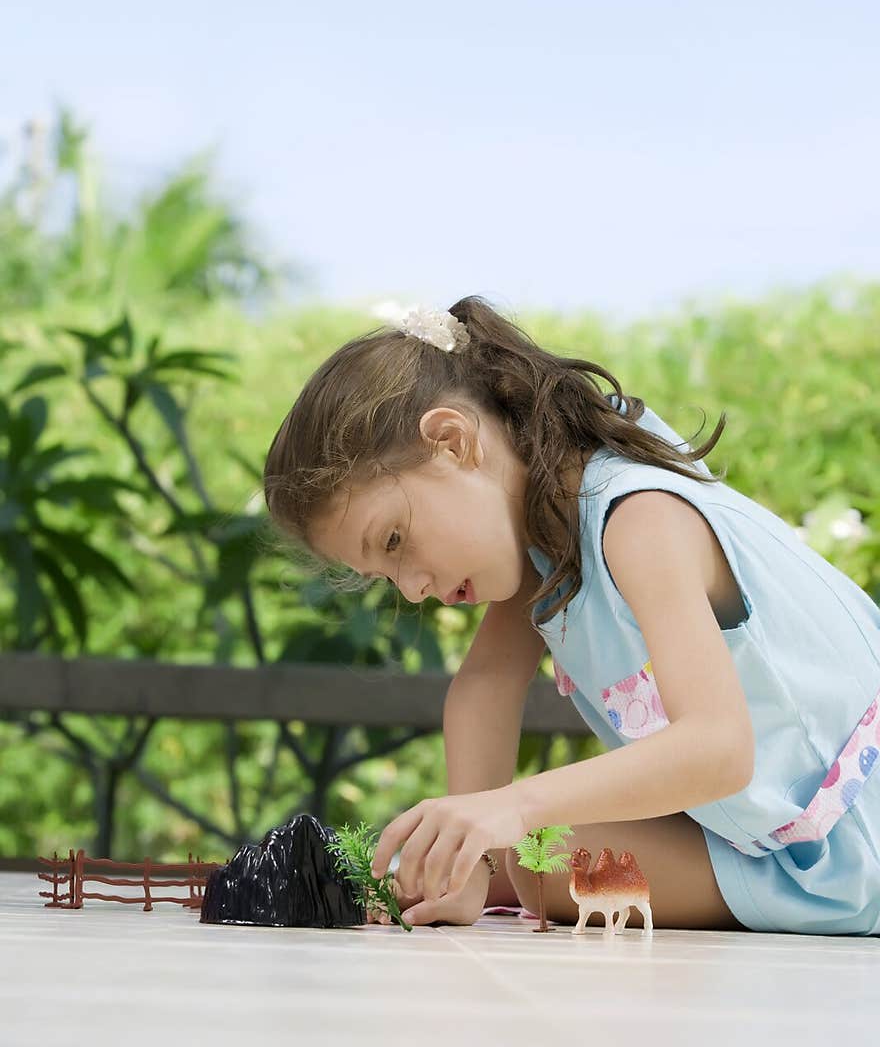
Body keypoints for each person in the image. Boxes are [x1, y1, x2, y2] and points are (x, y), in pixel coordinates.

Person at [262, 295, 880, 936]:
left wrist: (511, 806)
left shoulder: (638, 520)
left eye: (394, 541)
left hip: (854, 840)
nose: (413, 589)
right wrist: (471, 865)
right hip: (775, 835)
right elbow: (485, 687)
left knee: (541, 862)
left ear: (452, 442)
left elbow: (719, 750)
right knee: (534, 860)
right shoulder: (543, 536)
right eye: (385, 577)